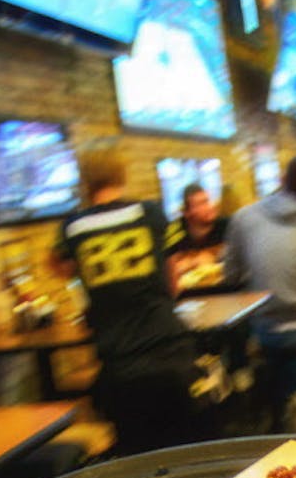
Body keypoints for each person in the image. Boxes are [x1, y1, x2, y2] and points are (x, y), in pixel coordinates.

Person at [52, 149, 210, 455]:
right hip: (169, 352)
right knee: (187, 453)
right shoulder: (150, 214)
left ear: (84, 181)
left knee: (137, 459)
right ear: (122, 175)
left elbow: (61, 268)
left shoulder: (71, 228)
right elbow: (173, 285)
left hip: (119, 365)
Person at [223, 155, 296, 430]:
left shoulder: (243, 217)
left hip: (264, 328)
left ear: (281, 181)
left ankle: (285, 401)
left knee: (279, 347)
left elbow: (232, 276)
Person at [164, 183, 229, 294]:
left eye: (208, 201)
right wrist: (194, 262)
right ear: (187, 213)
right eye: (201, 204)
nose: (209, 207)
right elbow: (170, 270)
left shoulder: (225, 225)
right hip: (188, 295)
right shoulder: (174, 231)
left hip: (222, 291)